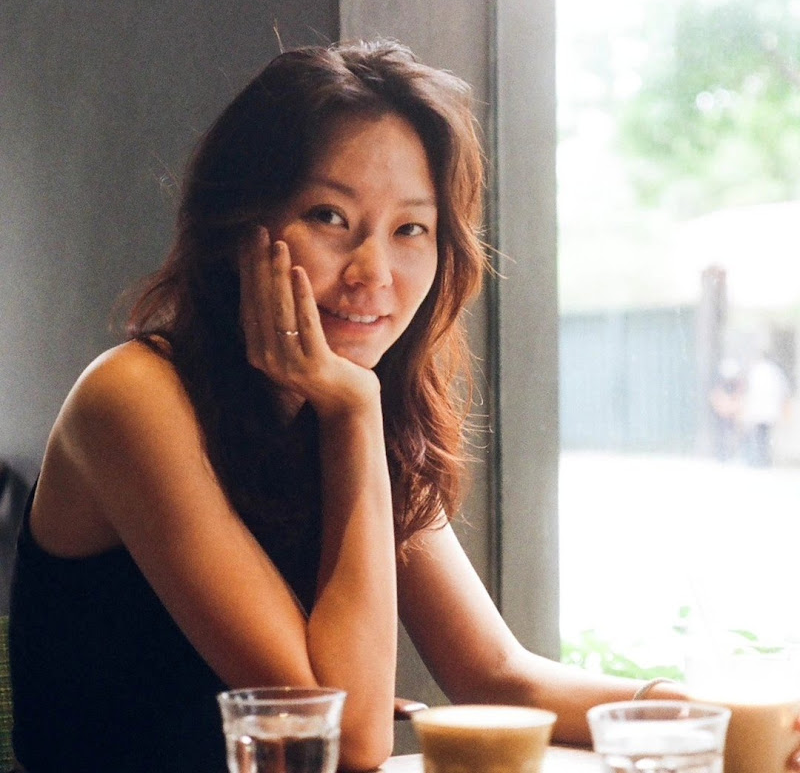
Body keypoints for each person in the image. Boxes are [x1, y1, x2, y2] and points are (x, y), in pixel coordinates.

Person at [7, 39, 796, 773]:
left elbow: (497, 673)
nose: (373, 272)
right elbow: (347, 737)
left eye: (411, 228)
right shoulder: (134, 398)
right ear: (239, 229)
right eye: (330, 218)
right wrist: (354, 416)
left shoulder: (352, 401)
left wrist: (718, 719)